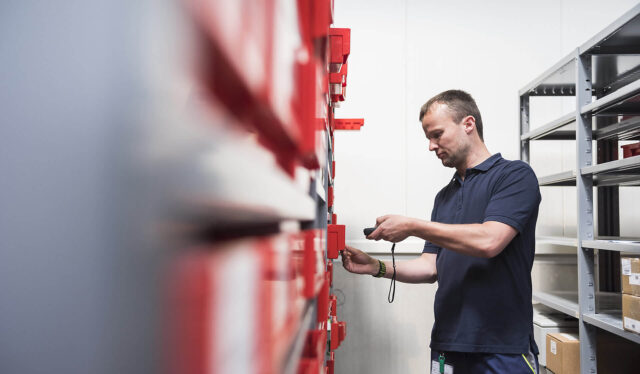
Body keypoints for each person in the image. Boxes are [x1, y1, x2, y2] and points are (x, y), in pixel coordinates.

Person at [341, 90, 541, 373]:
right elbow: (431, 265)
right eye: (428, 138)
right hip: (448, 344)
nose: (432, 146)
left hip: (501, 346)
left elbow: (490, 240)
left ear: (468, 124)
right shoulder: (444, 196)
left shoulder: (514, 176)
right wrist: (376, 266)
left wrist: (412, 226)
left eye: (437, 134)